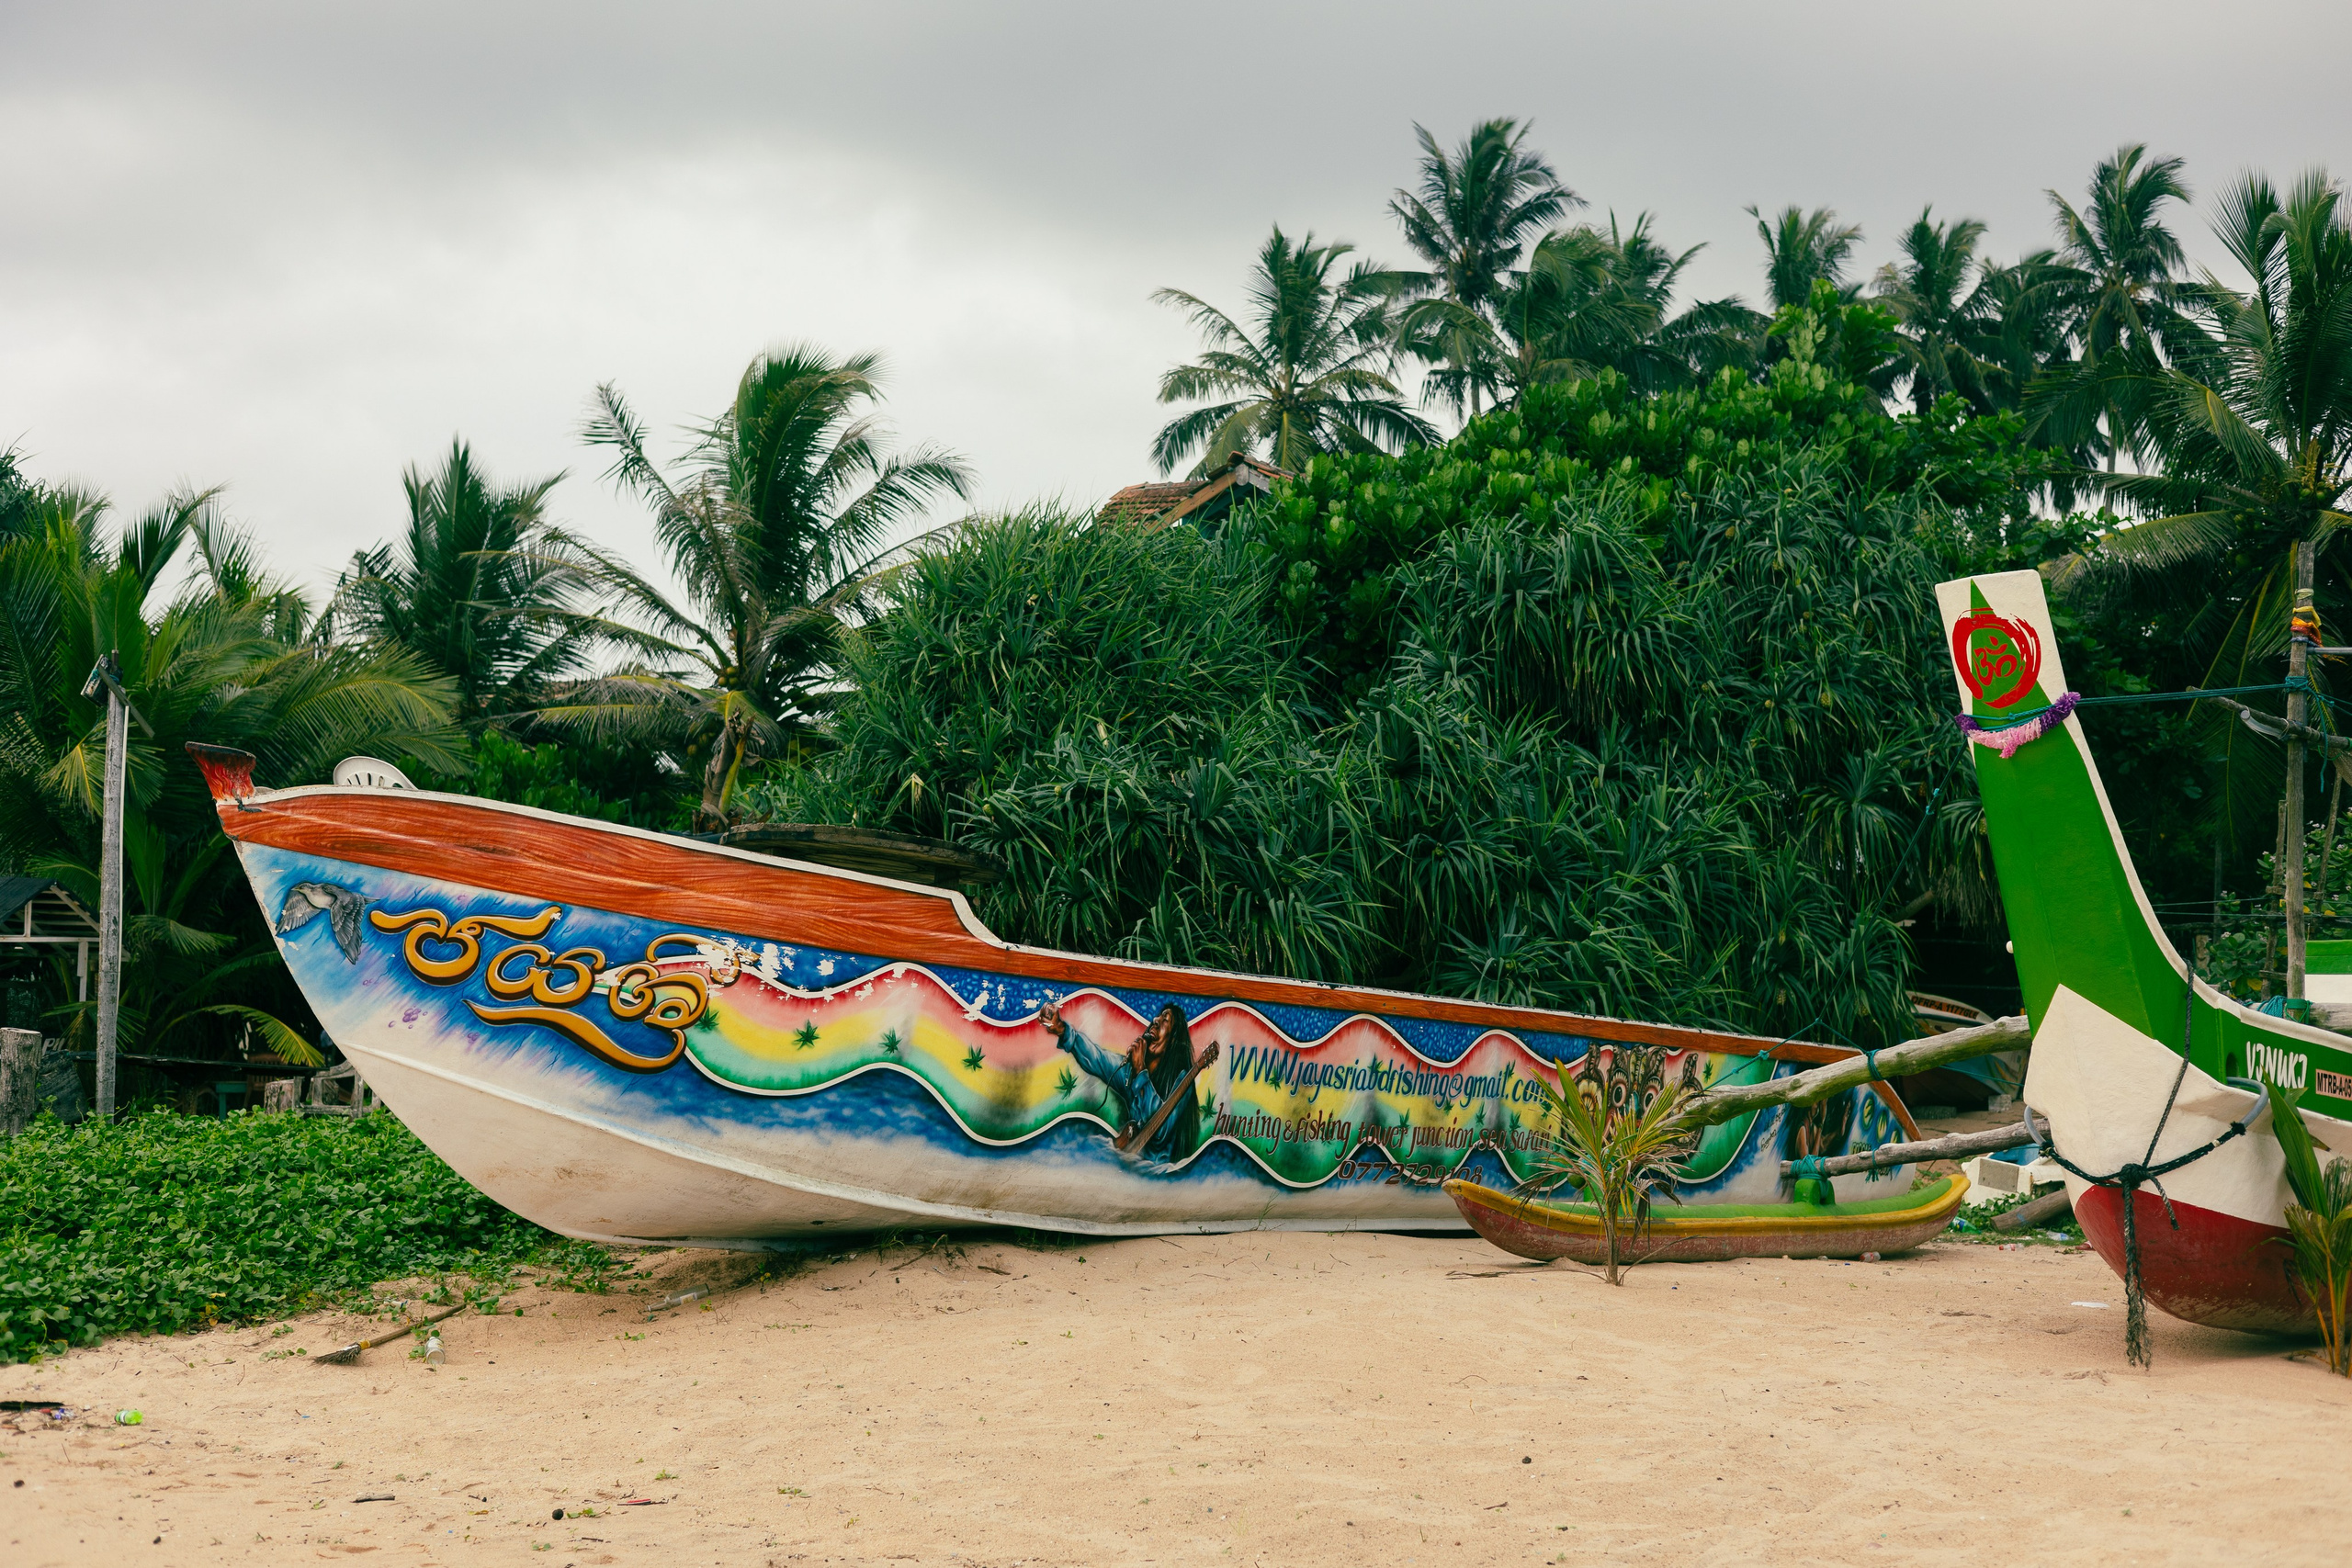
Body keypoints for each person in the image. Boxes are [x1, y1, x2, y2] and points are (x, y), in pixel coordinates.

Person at [1037, 998, 1218, 1163]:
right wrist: (1062, 1029)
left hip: (1160, 1174)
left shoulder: (1181, 1080)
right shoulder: (1130, 1072)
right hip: (1130, 1167)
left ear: (1173, 1040)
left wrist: (1141, 1071)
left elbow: (1160, 1129)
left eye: (1165, 1020)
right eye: (1158, 1017)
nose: (1155, 1020)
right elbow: (1098, 1059)